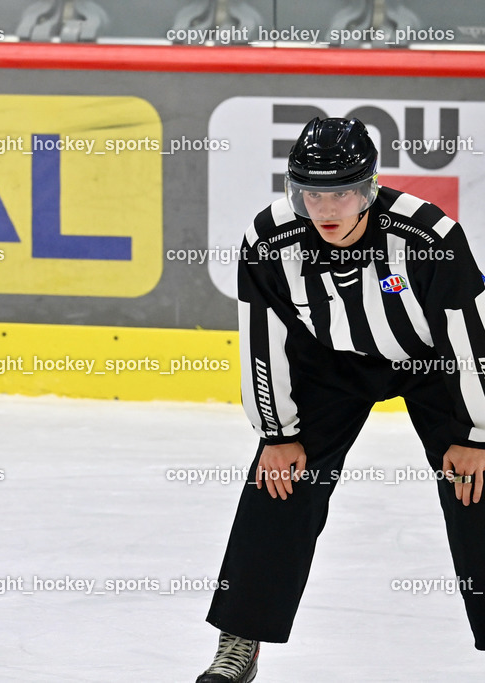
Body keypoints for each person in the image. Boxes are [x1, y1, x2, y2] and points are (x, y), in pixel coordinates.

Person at [196, 117, 485, 682]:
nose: (326, 208)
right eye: (311, 193)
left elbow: (471, 339)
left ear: (369, 189)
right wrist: (277, 435)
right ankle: (241, 638)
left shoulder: (429, 236)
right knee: (280, 481)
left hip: (432, 363)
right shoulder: (270, 239)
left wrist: (476, 435)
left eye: (342, 192)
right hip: (331, 365)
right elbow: (263, 338)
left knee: (477, 485)